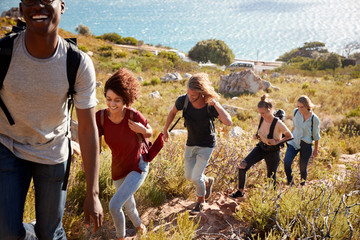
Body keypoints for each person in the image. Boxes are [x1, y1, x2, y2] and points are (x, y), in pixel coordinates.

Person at [0, 0, 103, 239]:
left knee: (50, 233)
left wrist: (93, 193)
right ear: (21, 7)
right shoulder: (4, 53)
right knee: (6, 232)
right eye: (30, 0)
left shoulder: (77, 63)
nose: (38, 6)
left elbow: (87, 130)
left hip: (53, 151)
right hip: (8, 147)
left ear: (62, 6)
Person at [162, 73, 232, 214]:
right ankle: (207, 181)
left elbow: (228, 122)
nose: (190, 96)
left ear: (201, 93)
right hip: (191, 143)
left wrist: (216, 103)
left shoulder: (209, 105)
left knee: (195, 177)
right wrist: (165, 130)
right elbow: (172, 113)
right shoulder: (184, 101)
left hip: (206, 145)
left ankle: (201, 202)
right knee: (189, 176)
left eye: (193, 94)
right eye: (188, 92)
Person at [96, 69, 152, 240]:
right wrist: (89, 161)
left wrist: (141, 129)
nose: (112, 104)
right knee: (128, 204)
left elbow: (149, 133)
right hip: (118, 167)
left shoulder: (133, 115)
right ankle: (140, 226)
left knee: (114, 205)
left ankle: (120, 237)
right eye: (109, 99)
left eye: (117, 100)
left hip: (138, 165)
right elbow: (95, 145)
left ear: (125, 100)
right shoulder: (101, 117)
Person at [229, 95, 293, 199]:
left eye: (263, 113)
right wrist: (257, 135)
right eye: (259, 112)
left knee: (271, 178)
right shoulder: (261, 118)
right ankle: (240, 192)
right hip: (261, 147)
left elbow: (290, 136)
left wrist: (277, 142)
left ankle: (272, 200)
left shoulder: (278, 123)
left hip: (273, 151)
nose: (261, 115)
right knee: (242, 166)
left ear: (270, 110)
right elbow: (263, 130)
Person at [283, 95, 320, 186]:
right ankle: (290, 183)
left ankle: (302, 186)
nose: (299, 109)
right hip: (294, 141)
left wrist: (315, 150)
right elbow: (294, 127)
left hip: (306, 144)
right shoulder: (295, 112)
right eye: (298, 106)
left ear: (307, 106)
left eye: (302, 107)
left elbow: (316, 136)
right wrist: (288, 138)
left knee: (302, 168)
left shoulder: (314, 119)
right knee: (287, 162)